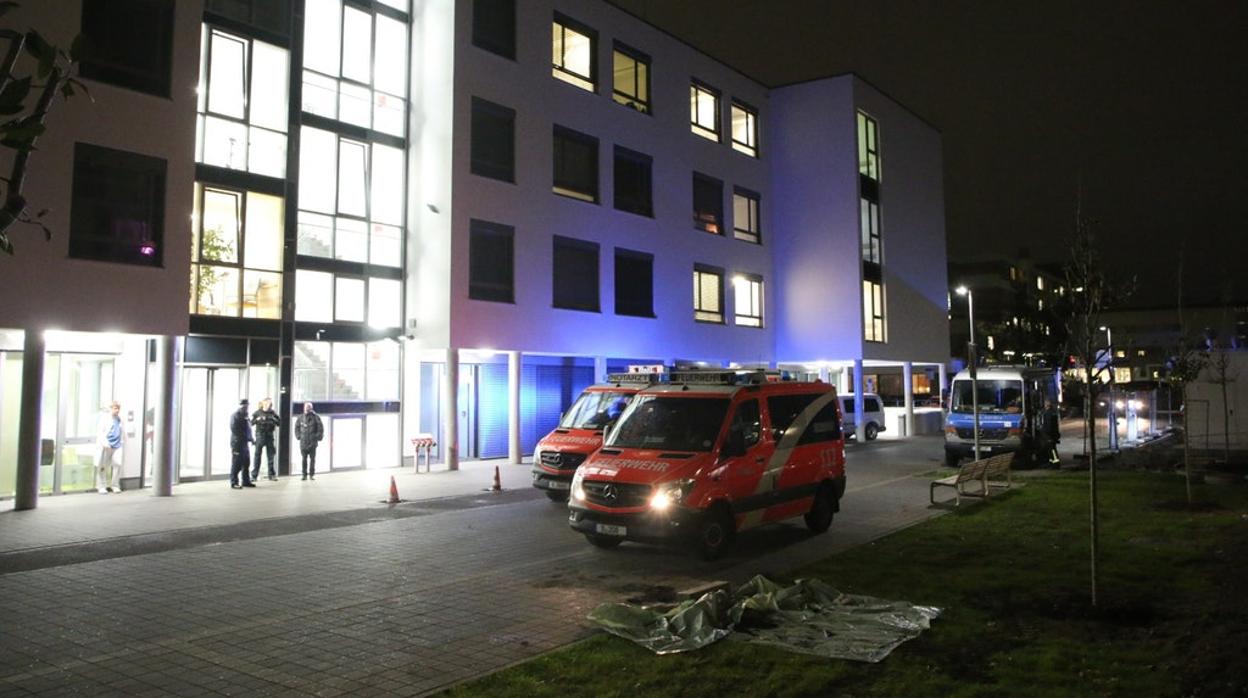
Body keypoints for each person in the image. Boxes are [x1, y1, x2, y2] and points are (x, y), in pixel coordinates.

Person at [95, 401, 124, 494]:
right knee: (103, 466)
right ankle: (101, 486)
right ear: (111, 408)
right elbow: (100, 432)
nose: (117, 410)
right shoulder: (105, 419)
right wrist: (105, 443)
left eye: (118, 408)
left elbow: (121, 431)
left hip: (117, 445)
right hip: (106, 445)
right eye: (115, 408)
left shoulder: (119, 419)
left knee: (118, 464)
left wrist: (121, 441)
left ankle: (115, 485)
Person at [250, 397, 281, 482]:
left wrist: (273, 419)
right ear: (263, 404)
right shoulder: (257, 413)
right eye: (267, 403)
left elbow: (279, 423)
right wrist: (257, 419)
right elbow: (250, 423)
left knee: (270, 456)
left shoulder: (273, 413)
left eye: (270, 404)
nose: (269, 405)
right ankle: (254, 476)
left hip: (269, 436)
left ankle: (271, 475)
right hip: (260, 436)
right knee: (257, 457)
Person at [294, 402, 324, 480]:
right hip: (303, 442)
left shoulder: (316, 417)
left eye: (309, 407)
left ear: (311, 408)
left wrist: (316, 437)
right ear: (304, 407)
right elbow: (296, 428)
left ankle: (311, 475)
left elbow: (320, 428)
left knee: (312, 459)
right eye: (306, 407)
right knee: (304, 459)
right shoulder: (300, 417)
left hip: (312, 442)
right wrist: (298, 436)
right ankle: (304, 475)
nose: (307, 408)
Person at [230, 399, 255, 489]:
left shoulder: (246, 415)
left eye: (247, 406)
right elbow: (235, 429)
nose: (246, 407)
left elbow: (248, 428)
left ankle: (246, 481)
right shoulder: (235, 416)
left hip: (245, 443)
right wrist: (245, 437)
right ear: (241, 406)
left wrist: (251, 438)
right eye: (245, 406)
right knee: (237, 463)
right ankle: (234, 482)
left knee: (246, 463)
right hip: (237, 443)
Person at [1042, 399, 1062, 465]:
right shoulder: (1053, 413)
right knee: (1051, 449)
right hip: (1053, 434)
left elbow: (1048, 425)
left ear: (1047, 405)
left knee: (1052, 450)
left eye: (1045, 404)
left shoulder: (1047, 414)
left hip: (1049, 435)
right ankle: (1052, 462)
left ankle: (1055, 463)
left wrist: (1046, 433)